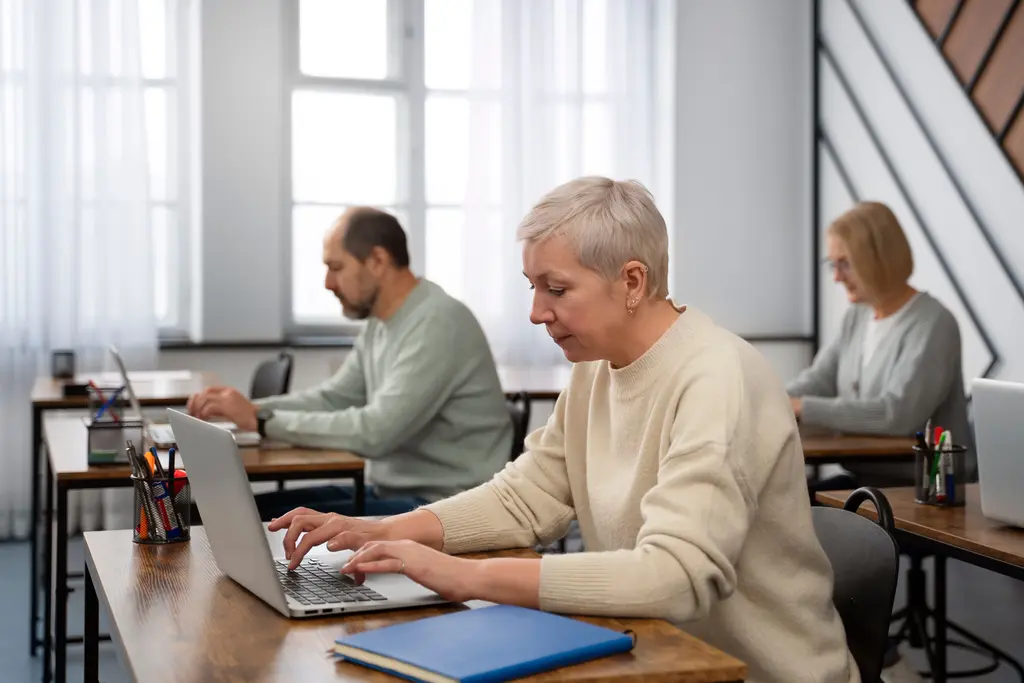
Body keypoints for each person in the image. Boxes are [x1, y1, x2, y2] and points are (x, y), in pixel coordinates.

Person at [268, 178, 858, 683]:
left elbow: (676, 576)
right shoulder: (596, 367)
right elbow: (526, 496)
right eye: (532, 288)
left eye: (556, 289)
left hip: (748, 672)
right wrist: (382, 529)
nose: (536, 312)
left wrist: (466, 575)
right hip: (652, 655)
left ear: (632, 282)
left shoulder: (716, 377)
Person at [187, 207, 512, 518]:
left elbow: (376, 431)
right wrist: (253, 411)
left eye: (337, 267)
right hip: (393, 494)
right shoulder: (381, 322)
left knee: (251, 517)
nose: (328, 283)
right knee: (236, 510)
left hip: (444, 508)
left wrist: (263, 422)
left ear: (377, 260)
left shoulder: (438, 322)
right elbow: (334, 398)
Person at [788, 201, 973, 486]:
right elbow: (816, 381)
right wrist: (769, 400)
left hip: (922, 491)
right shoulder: (856, 318)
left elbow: (897, 415)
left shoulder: (934, 323)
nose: (836, 277)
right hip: (865, 479)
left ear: (880, 258)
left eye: (846, 263)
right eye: (832, 264)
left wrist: (803, 407)